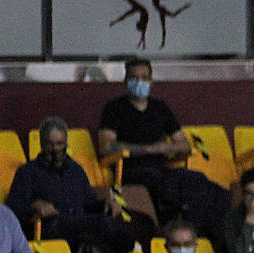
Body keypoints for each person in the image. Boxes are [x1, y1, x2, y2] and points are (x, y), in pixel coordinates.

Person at [97, 57, 229, 239]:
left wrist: (167, 148)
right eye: (134, 78)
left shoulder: (160, 108)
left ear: (151, 80)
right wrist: (147, 150)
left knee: (212, 189)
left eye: (144, 77)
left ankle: (201, 236)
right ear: (125, 81)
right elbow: (106, 146)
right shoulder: (114, 109)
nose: (139, 82)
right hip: (132, 172)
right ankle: (191, 235)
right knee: (185, 189)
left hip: (163, 170)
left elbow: (183, 143)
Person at [6, 117, 136, 253]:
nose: (55, 149)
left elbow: (89, 203)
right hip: (50, 229)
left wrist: (106, 203)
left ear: (66, 144)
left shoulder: (75, 170)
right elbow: (13, 209)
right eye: (50, 144)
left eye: (59, 144)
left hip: (81, 224)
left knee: (119, 233)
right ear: (42, 144)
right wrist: (34, 207)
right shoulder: (27, 172)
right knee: (103, 228)